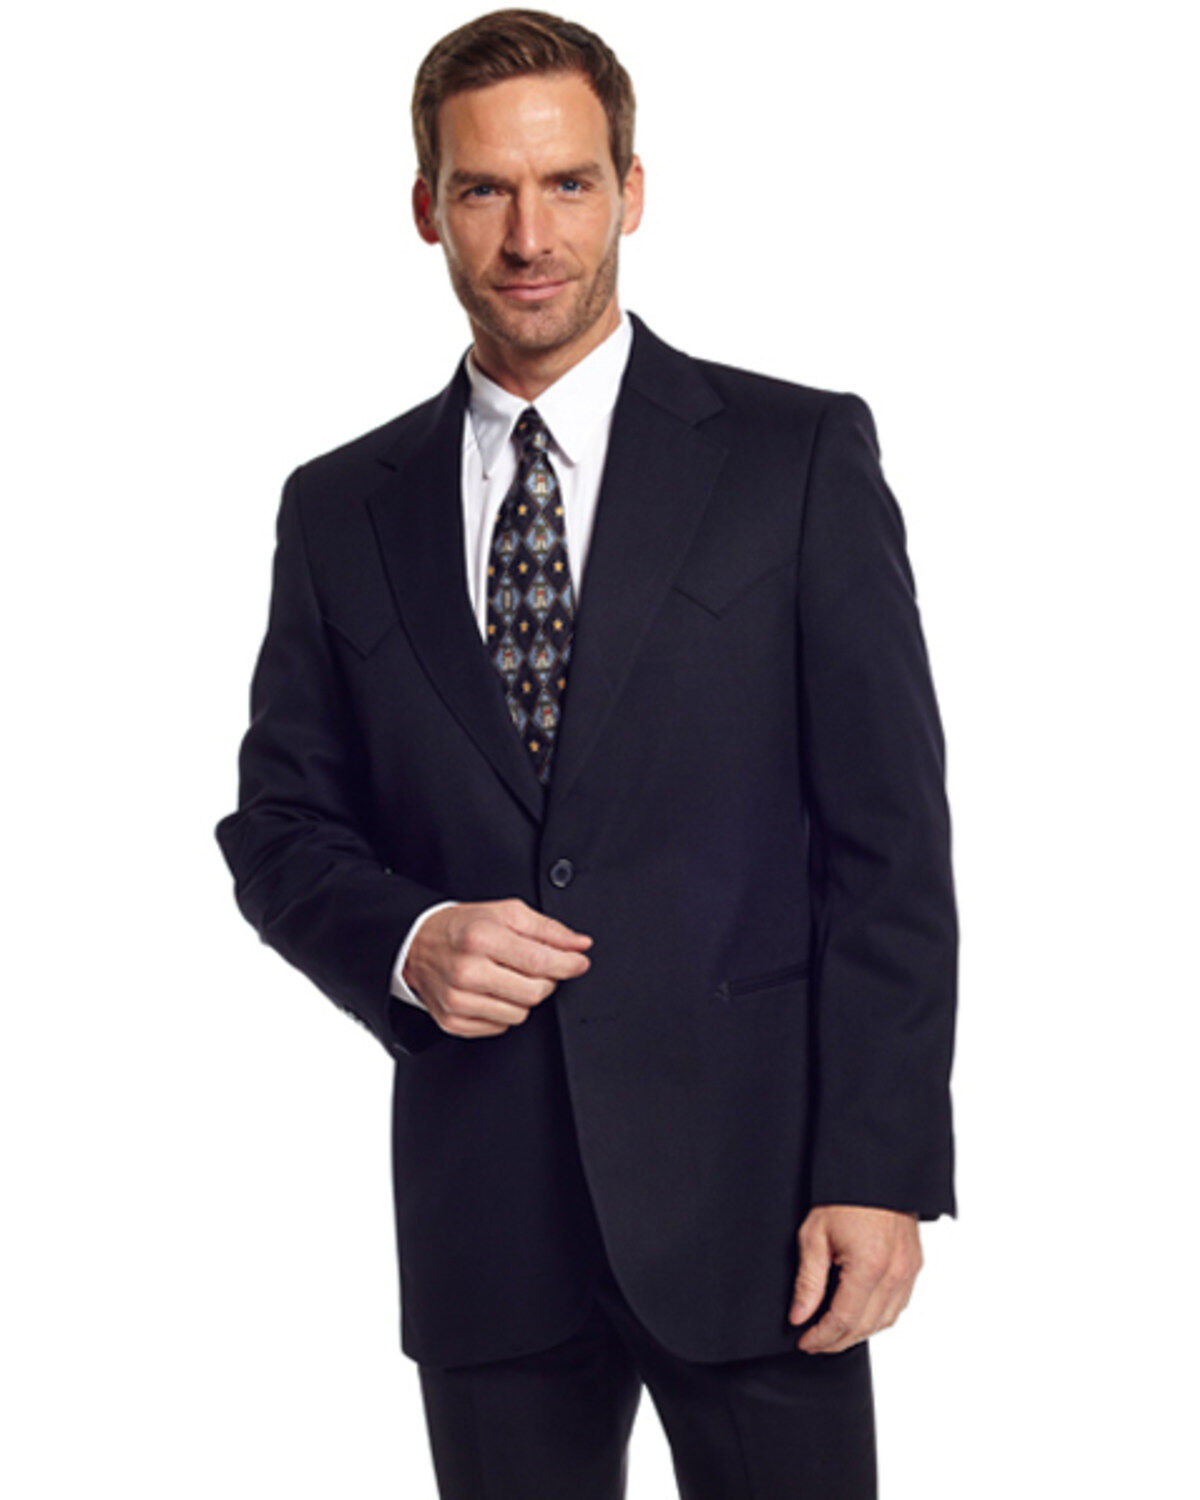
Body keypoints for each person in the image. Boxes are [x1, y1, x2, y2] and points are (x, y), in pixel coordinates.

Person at [215, 9, 958, 1497]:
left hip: (763, 1207)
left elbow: (889, 845)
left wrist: (878, 1169)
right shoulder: (341, 507)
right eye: (484, 189)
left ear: (633, 190)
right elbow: (281, 826)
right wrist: (410, 938)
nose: (528, 235)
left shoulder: (795, 457)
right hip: (486, 1216)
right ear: (426, 207)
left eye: (567, 183)